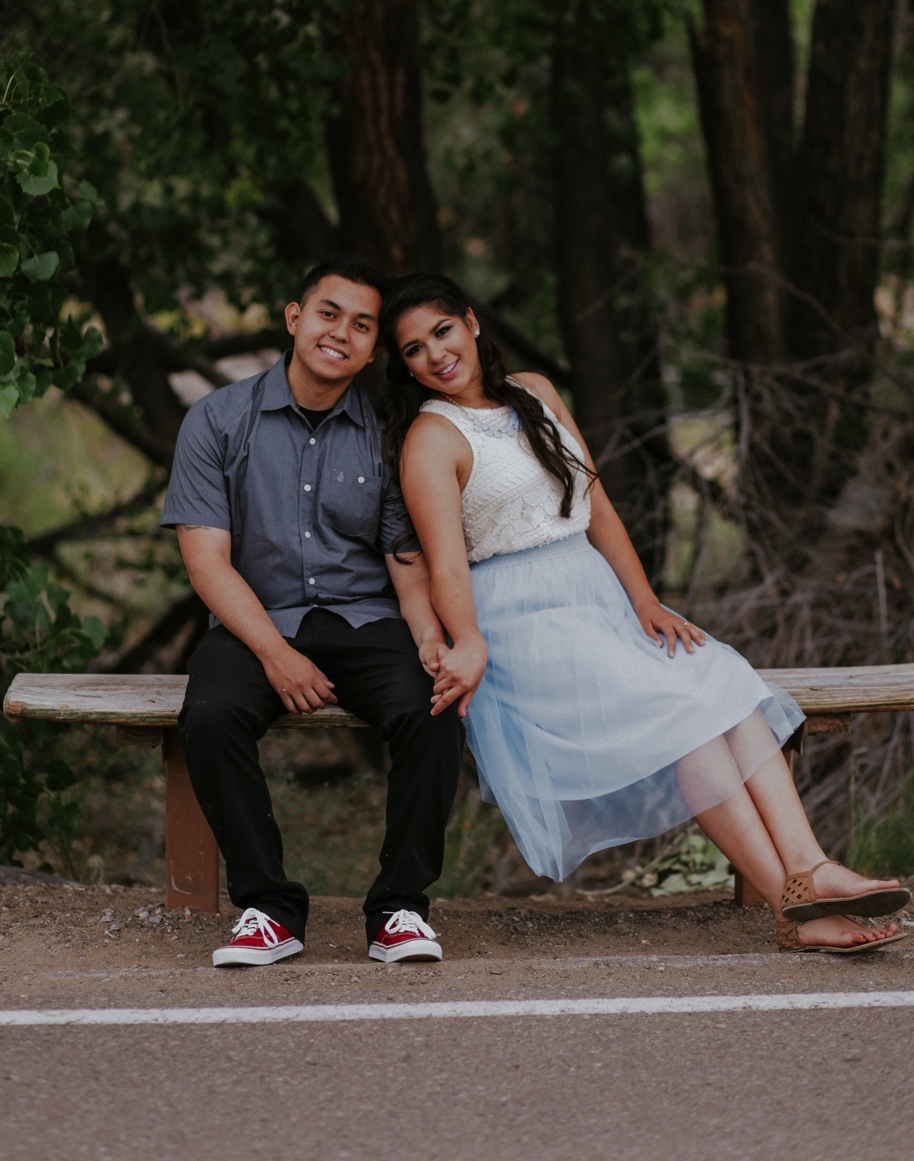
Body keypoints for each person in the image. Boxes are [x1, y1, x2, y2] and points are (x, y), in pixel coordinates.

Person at [379, 273, 910, 955]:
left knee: (727, 685)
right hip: (524, 622)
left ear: (473, 323)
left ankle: (808, 873)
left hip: (594, 597)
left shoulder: (536, 391)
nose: (434, 355)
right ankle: (797, 904)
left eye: (442, 332)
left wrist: (644, 600)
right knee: (684, 719)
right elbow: (446, 564)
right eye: (414, 350)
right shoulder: (431, 437)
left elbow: (595, 503)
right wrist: (470, 640)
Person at [162, 260, 464, 967]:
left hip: (365, 619)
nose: (343, 334)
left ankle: (399, 910)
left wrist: (429, 639)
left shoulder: (392, 431)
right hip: (257, 619)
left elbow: (403, 554)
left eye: (363, 326)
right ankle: (267, 908)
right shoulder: (217, 419)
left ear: (372, 349)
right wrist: (275, 653)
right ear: (295, 316)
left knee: (437, 706)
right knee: (208, 714)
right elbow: (207, 562)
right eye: (330, 314)